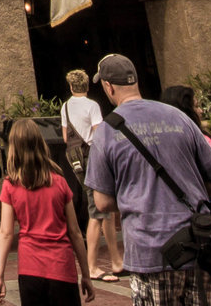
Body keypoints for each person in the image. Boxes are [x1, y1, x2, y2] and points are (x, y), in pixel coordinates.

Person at [85, 53, 211, 306]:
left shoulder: (106, 132)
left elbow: (103, 202)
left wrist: (139, 196)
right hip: (198, 243)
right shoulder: (179, 117)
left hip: (149, 250)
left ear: (108, 86)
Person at [0, 118, 96, 306]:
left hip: (30, 269)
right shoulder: (59, 182)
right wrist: (86, 274)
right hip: (62, 267)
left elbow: (6, 233)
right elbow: (74, 232)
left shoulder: (11, 185)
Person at [61, 68, 122, 281]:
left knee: (104, 208)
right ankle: (92, 265)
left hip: (76, 160)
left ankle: (116, 260)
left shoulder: (66, 106)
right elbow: (98, 133)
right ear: (87, 86)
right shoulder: (92, 105)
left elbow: (66, 137)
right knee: (97, 210)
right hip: (93, 158)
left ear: (71, 86)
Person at [161, 85, 211, 217]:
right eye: (196, 106)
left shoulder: (162, 144)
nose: (200, 111)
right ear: (186, 111)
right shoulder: (201, 140)